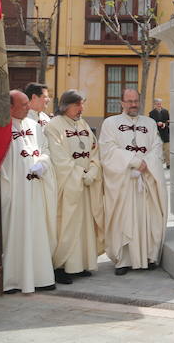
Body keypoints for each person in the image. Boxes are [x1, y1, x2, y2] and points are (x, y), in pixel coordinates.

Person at [0, 91, 57, 293]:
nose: (28, 107)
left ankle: (40, 276)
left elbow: (45, 149)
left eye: (27, 104)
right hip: (13, 192)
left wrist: (42, 163)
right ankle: (11, 280)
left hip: (34, 189)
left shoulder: (34, 125)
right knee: (13, 232)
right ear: (9, 107)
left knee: (36, 230)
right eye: (23, 104)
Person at [98, 89, 167, 276]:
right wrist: (134, 161)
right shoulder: (110, 123)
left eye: (135, 101)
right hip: (124, 181)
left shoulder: (150, 123)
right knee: (124, 218)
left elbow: (157, 147)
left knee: (147, 217)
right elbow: (108, 150)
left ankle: (147, 256)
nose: (133, 104)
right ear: (121, 102)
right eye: (128, 101)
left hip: (146, 179)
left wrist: (147, 164)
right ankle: (123, 260)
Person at [44, 90, 104, 284]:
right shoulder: (54, 126)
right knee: (66, 226)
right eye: (78, 105)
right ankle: (61, 266)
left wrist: (93, 171)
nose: (82, 109)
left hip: (85, 185)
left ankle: (79, 265)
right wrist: (80, 174)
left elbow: (95, 150)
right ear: (65, 106)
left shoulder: (83, 124)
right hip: (69, 186)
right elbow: (58, 157)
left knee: (84, 226)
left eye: (82, 105)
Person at [148, 97, 171, 169]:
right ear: (155, 104)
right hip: (156, 134)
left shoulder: (166, 111)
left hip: (165, 134)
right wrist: (157, 123)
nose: (159, 105)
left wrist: (164, 124)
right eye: (158, 104)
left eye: (160, 103)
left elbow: (168, 121)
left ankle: (168, 164)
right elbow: (150, 124)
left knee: (167, 149)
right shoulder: (151, 113)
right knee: (158, 150)